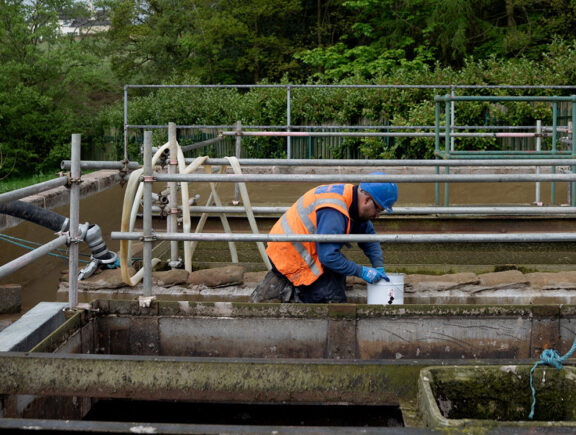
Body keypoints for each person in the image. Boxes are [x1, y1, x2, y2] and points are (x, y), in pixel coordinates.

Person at [250, 173, 398, 303]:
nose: (377, 216)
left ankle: (290, 287)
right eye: (378, 209)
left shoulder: (352, 198)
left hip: (307, 249)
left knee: (339, 275)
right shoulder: (334, 211)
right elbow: (328, 257)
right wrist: (362, 271)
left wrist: (378, 266)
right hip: (290, 256)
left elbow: (368, 237)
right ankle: (292, 288)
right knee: (331, 301)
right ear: (366, 200)